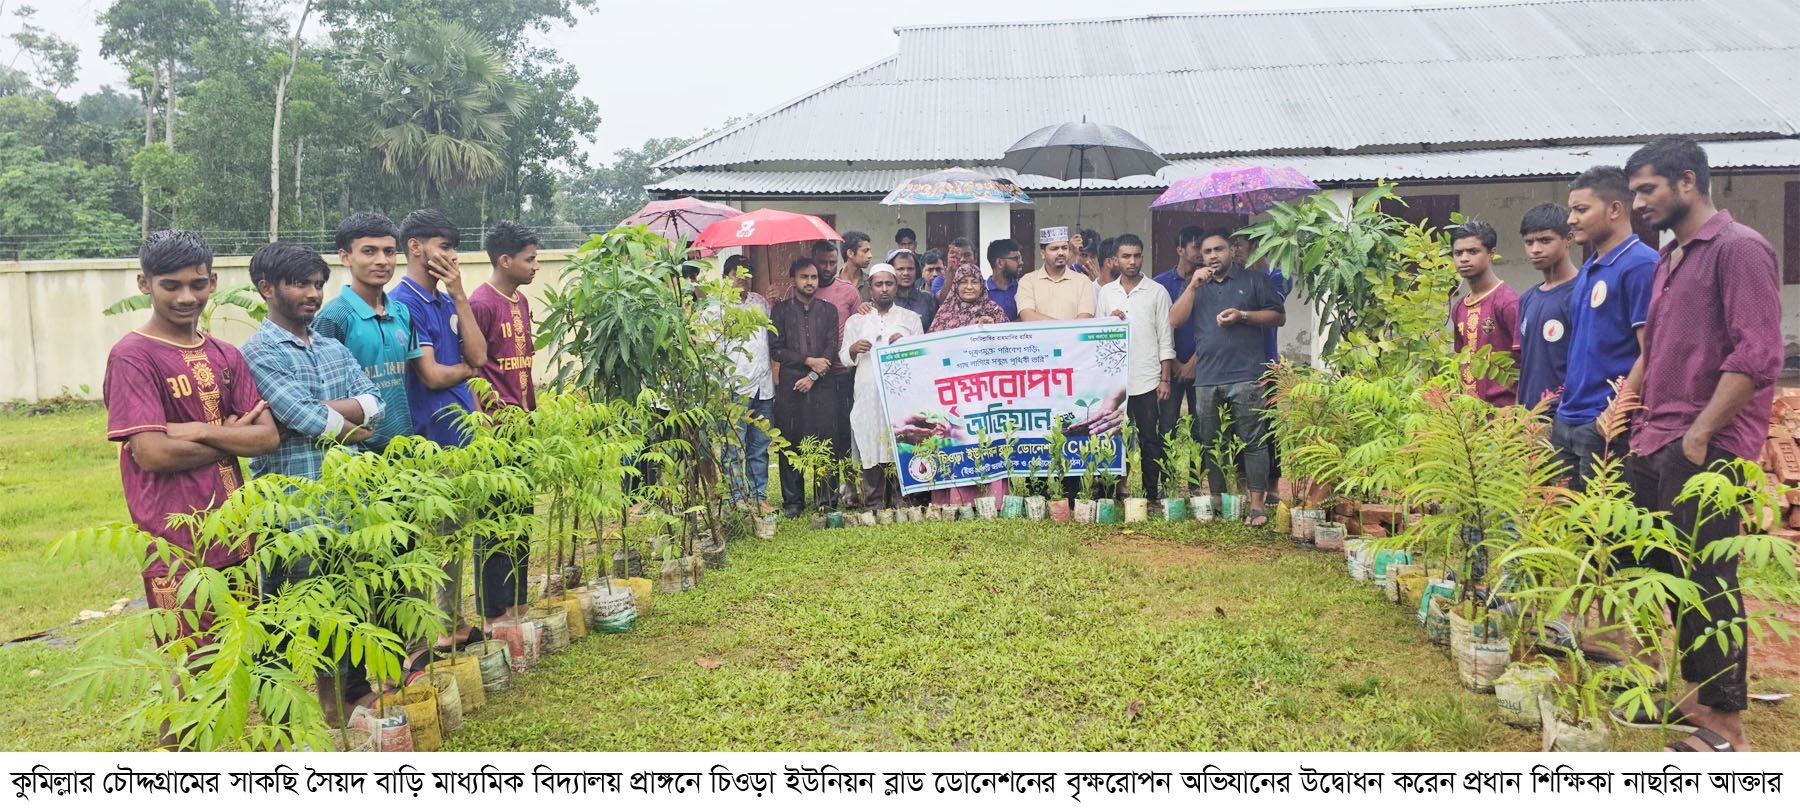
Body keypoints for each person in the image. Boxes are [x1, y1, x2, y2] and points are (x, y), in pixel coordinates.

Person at [1609, 136, 1781, 753]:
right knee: (1655, 569)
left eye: (1646, 190)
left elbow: (1758, 353)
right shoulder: (1670, 258)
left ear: (1687, 182)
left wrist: (1702, 433)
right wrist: (1624, 405)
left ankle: (1725, 726)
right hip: (1655, 435)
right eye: (1632, 193)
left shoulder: (1739, 250)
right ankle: (1687, 693)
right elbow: (1651, 349)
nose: (1637, 204)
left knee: (1708, 579)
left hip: (1708, 447)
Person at [103, 230, 278, 744]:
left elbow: (265, 437)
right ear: (145, 284)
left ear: (213, 282)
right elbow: (152, 453)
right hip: (176, 543)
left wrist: (198, 430)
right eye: (171, 286)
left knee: (234, 662)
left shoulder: (226, 353)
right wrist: (231, 435)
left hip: (236, 532)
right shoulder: (134, 356)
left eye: (198, 285)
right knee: (188, 676)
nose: (186, 298)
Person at [240, 241, 384, 725]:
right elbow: (302, 412)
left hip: (345, 506)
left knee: (344, 607)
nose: (313, 293)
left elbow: (376, 404)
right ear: (267, 289)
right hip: (290, 512)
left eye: (318, 284)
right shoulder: (257, 352)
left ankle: (339, 703)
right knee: (285, 616)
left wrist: (329, 416)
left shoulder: (330, 346)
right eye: (300, 283)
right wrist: (349, 420)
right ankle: (280, 720)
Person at [389, 208, 488, 654]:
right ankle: (418, 637)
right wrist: (464, 370)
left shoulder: (448, 300)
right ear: (416, 247)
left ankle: (452, 623)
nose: (451, 256)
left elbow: (480, 358)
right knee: (420, 543)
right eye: (444, 246)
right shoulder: (404, 302)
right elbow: (429, 375)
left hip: (459, 439)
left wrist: (460, 295)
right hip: (424, 439)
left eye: (453, 248)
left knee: (453, 535)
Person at [1168, 228, 1284, 526]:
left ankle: (1256, 506)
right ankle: (1218, 500)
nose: (1212, 256)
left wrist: (1243, 316)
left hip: (1247, 375)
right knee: (1211, 442)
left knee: (1254, 441)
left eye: (1218, 250)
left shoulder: (1255, 280)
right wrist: (1192, 287)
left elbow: (1278, 316)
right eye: (1207, 252)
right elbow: (1174, 320)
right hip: (1207, 378)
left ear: (1232, 251)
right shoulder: (1197, 285)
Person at [1556, 165, 1658, 491]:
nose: (1571, 219)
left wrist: (1613, 417)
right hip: (1569, 420)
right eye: (1571, 210)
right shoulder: (1589, 268)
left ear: (1615, 209)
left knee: (1603, 532)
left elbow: (1652, 350)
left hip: (1604, 425)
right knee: (1567, 531)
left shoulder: (1641, 265)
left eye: (1581, 209)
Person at [468, 220, 541, 629]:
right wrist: (481, 426)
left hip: (523, 429)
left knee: (521, 518)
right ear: (505, 259)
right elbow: (474, 368)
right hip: (494, 433)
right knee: (494, 524)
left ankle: (518, 601)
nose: (536, 266)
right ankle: (494, 612)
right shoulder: (481, 304)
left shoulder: (521, 303)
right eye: (530, 259)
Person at [315, 212, 418, 453]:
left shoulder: (402, 313)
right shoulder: (333, 318)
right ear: (345, 257)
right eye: (369, 251)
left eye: (389, 251)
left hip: (403, 450)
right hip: (356, 457)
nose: (382, 260)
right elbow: (321, 396)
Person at [1096, 234, 1174, 502]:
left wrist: (1165, 379)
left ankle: (1151, 494)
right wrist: (1108, 322)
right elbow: (1096, 336)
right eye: (1126, 256)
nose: (1132, 261)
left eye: (1137, 255)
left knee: (1149, 440)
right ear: (1115, 259)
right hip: (1115, 382)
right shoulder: (1106, 293)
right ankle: (1112, 490)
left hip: (1147, 380)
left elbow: (1166, 338)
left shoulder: (1157, 292)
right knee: (1112, 437)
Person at [840, 265, 924, 511]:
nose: (884, 289)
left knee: (901, 438)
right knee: (869, 439)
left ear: (897, 287)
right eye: (879, 284)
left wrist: (907, 344)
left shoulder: (910, 318)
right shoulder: (857, 320)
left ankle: (902, 498)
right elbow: (844, 357)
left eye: (889, 284)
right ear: (870, 288)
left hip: (901, 392)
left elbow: (923, 355)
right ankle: (874, 501)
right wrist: (854, 349)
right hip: (867, 390)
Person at [928, 264, 1011, 508]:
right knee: (959, 439)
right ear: (955, 285)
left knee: (987, 442)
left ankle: (991, 499)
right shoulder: (945, 314)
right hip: (957, 394)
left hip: (987, 394)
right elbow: (932, 351)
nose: (969, 287)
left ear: (982, 285)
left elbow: (1013, 350)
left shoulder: (994, 311)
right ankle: (955, 500)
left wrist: (990, 330)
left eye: (974, 282)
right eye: (963, 282)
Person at [770, 257, 844, 517]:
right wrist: (806, 361)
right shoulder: (780, 311)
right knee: (790, 441)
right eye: (804, 277)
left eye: (813, 277)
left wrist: (813, 374)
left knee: (827, 441)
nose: (810, 282)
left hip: (822, 385)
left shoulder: (829, 310)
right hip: (791, 386)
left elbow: (832, 347)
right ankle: (793, 502)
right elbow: (776, 349)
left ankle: (827, 498)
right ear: (794, 280)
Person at [719, 256, 775, 511]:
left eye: (747, 272)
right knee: (733, 448)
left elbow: (771, 336)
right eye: (736, 272)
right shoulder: (716, 309)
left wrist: (775, 300)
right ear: (725, 277)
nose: (743, 277)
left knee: (759, 446)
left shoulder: (760, 303)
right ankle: (736, 499)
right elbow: (711, 354)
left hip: (763, 388)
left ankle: (758, 496)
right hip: (733, 390)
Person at [1448, 219, 1520, 408]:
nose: (1464, 258)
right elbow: (1459, 360)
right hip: (1469, 416)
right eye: (1458, 253)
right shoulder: (1460, 307)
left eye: (1473, 251)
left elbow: (1526, 361)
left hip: (1503, 416)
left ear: (1491, 253)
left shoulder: (1507, 302)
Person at [1515, 204, 1577, 413]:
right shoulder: (1527, 299)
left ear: (1568, 238)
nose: (1535, 249)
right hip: (1528, 416)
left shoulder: (1582, 292)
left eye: (1545, 240)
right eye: (1529, 242)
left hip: (1565, 416)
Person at [1155, 226, 1205, 459]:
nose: (1201, 252)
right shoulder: (1160, 284)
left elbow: (1212, 326)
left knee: (1202, 428)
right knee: (1166, 427)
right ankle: (1167, 484)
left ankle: (1197, 486)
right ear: (1180, 249)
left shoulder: (1211, 282)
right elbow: (1156, 326)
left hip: (1203, 365)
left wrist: (1194, 361)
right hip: (1169, 366)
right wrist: (1174, 362)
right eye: (1196, 246)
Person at [1016, 226, 1096, 322]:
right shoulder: (1028, 281)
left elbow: (1085, 317)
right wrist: (1062, 329)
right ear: (1042, 253)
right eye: (1054, 249)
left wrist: (1060, 331)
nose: (1061, 252)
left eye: (1064, 248)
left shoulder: (1083, 281)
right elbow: (1028, 316)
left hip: (1072, 337)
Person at [887, 249, 938, 328]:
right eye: (901, 269)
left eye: (910, 269)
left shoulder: (929, 299)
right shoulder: (882, 301)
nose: (906, 273)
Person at [985, 238, 1024, 321]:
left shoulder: (1024, 286)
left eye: (1020, 258)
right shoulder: (982, 291)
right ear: (1000, 262)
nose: (1021, 262)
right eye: (1016, 258)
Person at [835, 230, 872, 300]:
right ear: (850, 253)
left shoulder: (871, 283)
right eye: (865, 251)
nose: (870, 255)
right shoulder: (833, 285)